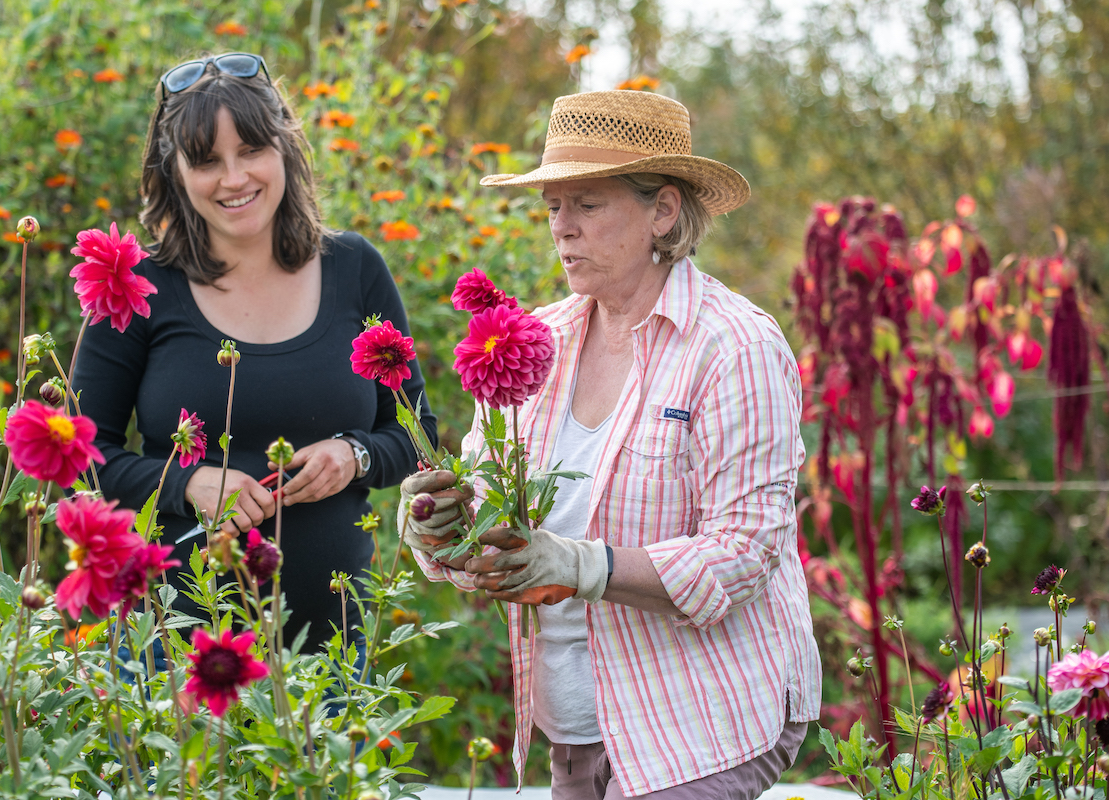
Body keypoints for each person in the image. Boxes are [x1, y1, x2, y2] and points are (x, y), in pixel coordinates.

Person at [400, 90, 821, 800]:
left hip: (701, 719)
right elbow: (482, 500)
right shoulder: (538, 341)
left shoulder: (733, 346)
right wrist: (439, 526)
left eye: (587, 204)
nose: (561, 228)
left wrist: (578, 563)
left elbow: (743, 553)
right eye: (553, 207)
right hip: (575, 727)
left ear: (662, 210)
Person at [73, 53, 435, 656]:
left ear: (285, 150)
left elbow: (416, 434)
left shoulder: (356, 269)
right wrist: (185, 484)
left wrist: (355, 455)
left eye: (252, 151)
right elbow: (79, 461)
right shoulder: (137, 286)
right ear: (175, 173)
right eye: (207, 161)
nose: (235, 178)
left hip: (336, 655)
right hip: (179, 651)